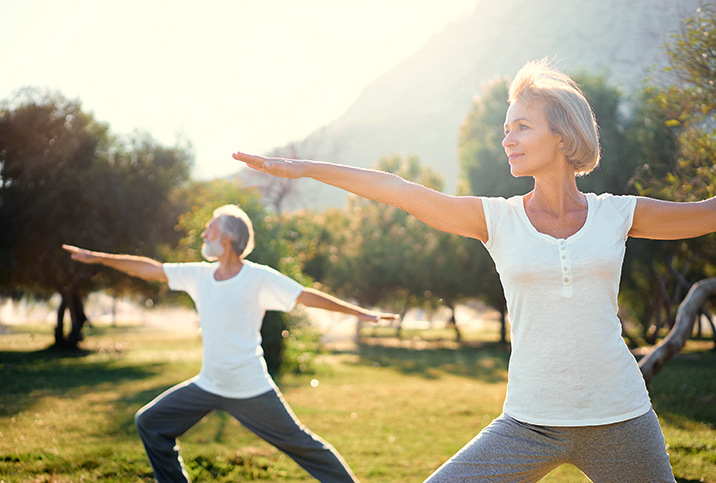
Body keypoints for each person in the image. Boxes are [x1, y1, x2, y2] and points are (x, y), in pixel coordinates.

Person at [233, 59, 716, 482]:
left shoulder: (618, 213)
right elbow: (398, 190)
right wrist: (304, 168)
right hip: (530, 423)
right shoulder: (497, 220)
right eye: (506, 129)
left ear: (563, 134)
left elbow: (708, 211)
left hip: (621, 417)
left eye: (521, 127)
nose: (507, 139)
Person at [63, 204, 398, 483]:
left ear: (226, 239)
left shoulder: (258, 277)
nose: (204, 233)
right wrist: (99, 258)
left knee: (304, 446)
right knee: (150, 423)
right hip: (209, 383)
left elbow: (305, 296)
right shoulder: (199, 274)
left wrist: (361, 313)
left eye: (210, 228)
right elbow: (150, 269)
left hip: (249, 387)